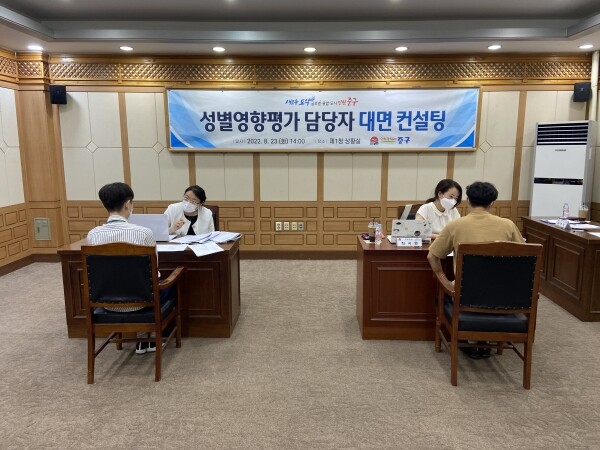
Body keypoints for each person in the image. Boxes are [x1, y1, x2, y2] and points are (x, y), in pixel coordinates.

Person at [427, 181, 524, 359]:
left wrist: (444, 279)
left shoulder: (456, 226)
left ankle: (468, 340)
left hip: (465, 295)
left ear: (468, 201)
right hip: (504, 296)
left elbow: (432, 256)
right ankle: (486, 341)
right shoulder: (508, 225)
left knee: (444, 294)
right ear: (492, 203)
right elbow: (524, 258)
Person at [87, 182, 166, 355]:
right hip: (142, 302)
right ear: (128, 204)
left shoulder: (93, 235)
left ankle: (145, 337)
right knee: (168, 285)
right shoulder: (144, 233)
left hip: (106, 303)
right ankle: (152, 335)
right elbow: (154, 270)